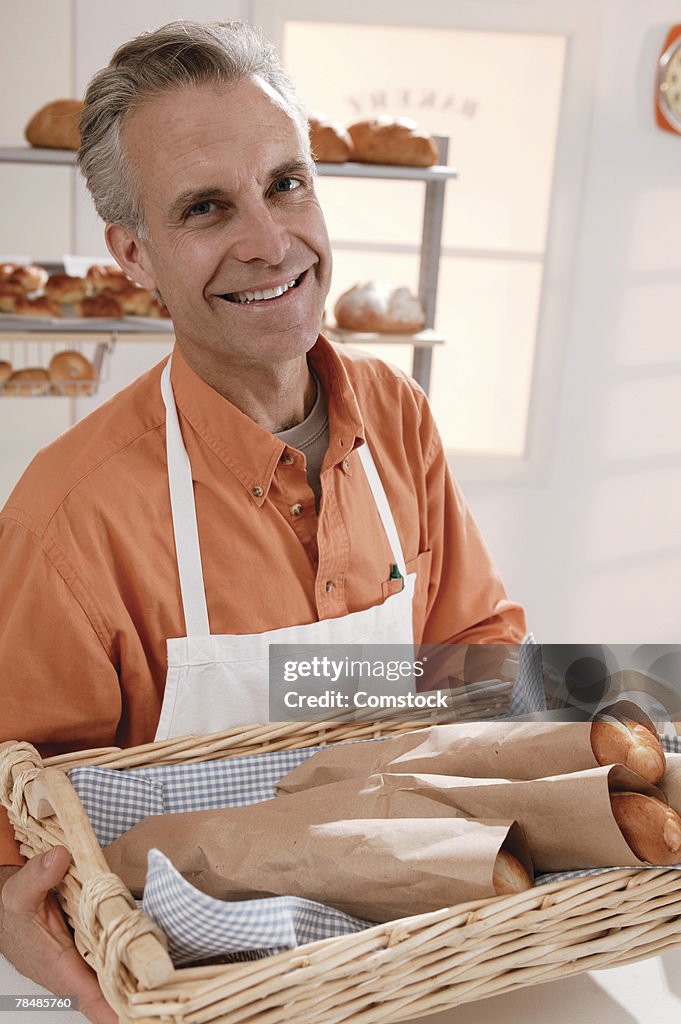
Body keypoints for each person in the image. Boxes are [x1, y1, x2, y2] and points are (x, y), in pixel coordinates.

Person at [0, 20, 525, 1021]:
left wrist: (544, 763)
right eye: (207, 207)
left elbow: (472, 647)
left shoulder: (396, 413)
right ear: (134, 256)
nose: (270, 241)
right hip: (194, 985)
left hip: (422, 943)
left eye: (287, 182)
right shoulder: (69, 518)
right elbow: (15, 811)